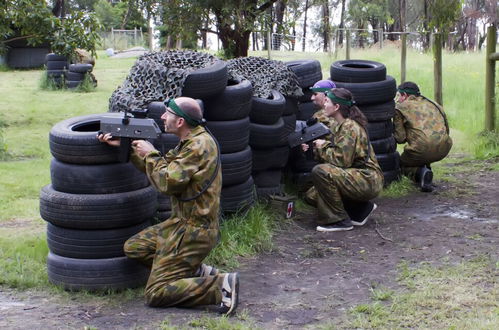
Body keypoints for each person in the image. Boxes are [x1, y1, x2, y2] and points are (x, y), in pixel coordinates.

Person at [98, 97, 239, 315]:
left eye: (167, 114)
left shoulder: (198, 146)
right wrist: (126, 148)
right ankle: (196, 270)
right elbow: (162, 167)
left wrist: (150, 153)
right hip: (180, 224)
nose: (163, 117)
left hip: (194, 231)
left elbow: (167, 182)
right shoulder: (191, 141)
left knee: (156, 293)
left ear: (180, 121)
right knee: (135, 247)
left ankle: (219, 287)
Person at [302, 88, 384, 232]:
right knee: (312, 195)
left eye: (327, 101)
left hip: (368, 178)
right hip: (357, 176)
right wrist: (314, 147)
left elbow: (341, 161)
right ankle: (359, 209)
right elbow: (335, 153)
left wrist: (322, 146)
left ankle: (338, 221)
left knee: (320, 171)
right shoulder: (339, 126)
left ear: (337, 107)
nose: (324, 105)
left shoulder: (349, 127)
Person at [394, 81, 453, 192]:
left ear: (405, 95)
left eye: (399, 96)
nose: (398, 99)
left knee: (397, 164)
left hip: (421, 150)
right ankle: (426, 171)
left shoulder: (400, 108)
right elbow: (446, 128)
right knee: (423, 142)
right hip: (445, 146)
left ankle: (420, 173)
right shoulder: (435, 104)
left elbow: (400, 138)